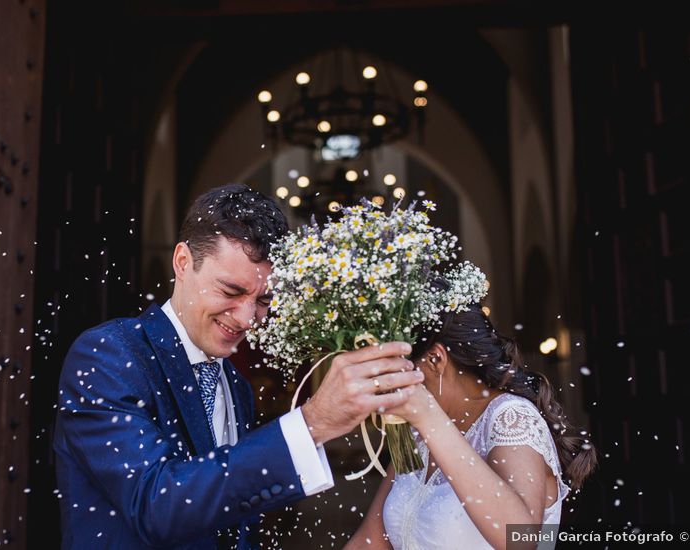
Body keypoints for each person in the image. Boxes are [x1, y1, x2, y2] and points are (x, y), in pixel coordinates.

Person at [54, 183, 425, 549]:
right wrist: (311, 424)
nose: (247, 318)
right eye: (230, 292)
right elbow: (157, 505)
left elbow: (230, 515)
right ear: (183, 262)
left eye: (263, 299)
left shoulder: (235, 384)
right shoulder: (109, 355)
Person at [346, 292, 597, 550]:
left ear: (435, 359)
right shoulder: (416, 434)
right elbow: (369, 543)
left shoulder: (511, 417)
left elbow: (521, 541)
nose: (388, 391)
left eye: (392, 375)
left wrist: (429, 418)